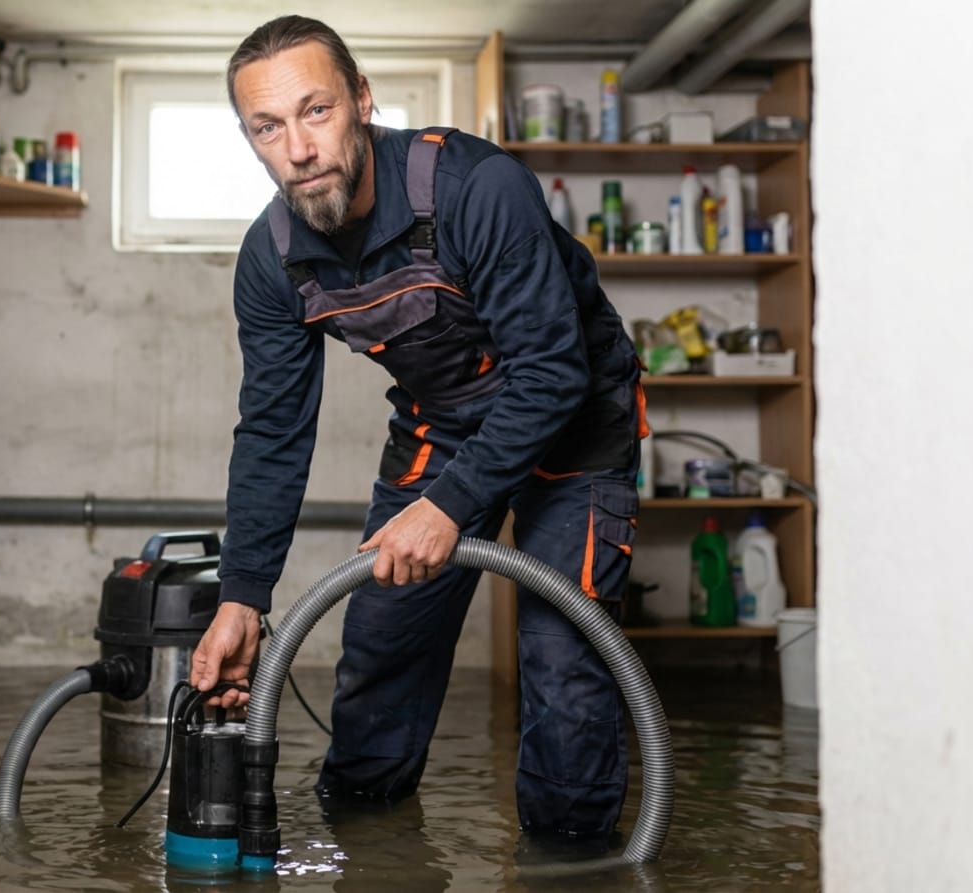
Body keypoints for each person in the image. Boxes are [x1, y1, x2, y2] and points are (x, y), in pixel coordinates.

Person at [189, 14, 647, 843]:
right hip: (444, 425)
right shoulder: (272, 259)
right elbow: (273, 432)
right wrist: (242, 597)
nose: (299, 148)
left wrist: (448, 507)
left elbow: (553, 374)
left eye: (316, 110)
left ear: (362, 100)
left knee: (564, 663)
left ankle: (569, 864)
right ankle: (367, 848)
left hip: (577, 425)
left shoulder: (476, 188)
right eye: (268, 127)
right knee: (382, 642)